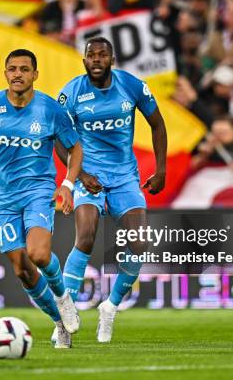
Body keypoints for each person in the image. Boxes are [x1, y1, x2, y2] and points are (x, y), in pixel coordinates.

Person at [0, 49, 83, 348]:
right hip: (1, 198)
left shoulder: (50, 110)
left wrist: (66, 183)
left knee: (38, 254)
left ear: (35, 75)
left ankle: (64, 298)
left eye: (24, 69)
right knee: (22, 269)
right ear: (5, 73)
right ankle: (58, 323)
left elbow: (75, 148)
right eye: (12, 68)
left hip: (38, 191)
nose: (18, 74)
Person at [56, 37, 167, 343]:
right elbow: (58, 139)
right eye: (91, 55)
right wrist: (80, 174)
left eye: (102, 55)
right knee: (86, 237)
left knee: (140, 243)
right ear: (84, 61)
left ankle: (111, 306)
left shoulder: (131, 85)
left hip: (124, 178)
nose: (96, 59)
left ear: (112, 59)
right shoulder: (71, 93)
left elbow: (157, 124)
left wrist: (161, 170)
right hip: (88, 177)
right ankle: (64, 324)